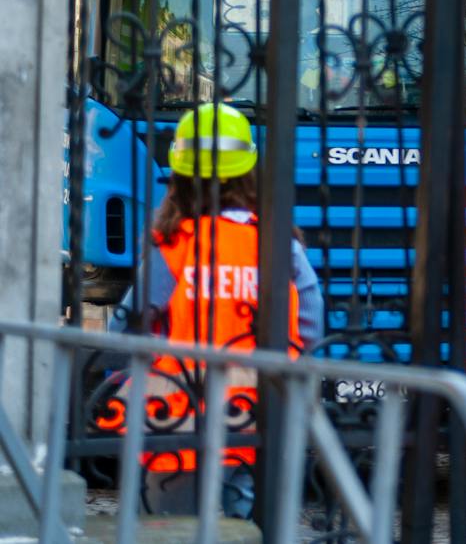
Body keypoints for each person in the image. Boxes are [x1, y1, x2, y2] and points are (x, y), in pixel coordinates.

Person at [114, 102, 324, 519]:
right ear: (248, 173)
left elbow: (127, 328)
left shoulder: (172, 248)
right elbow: (311, 327)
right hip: (260, 417)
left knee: (176, 529)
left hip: (177, 426)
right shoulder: (278, 245)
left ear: (178, 177)